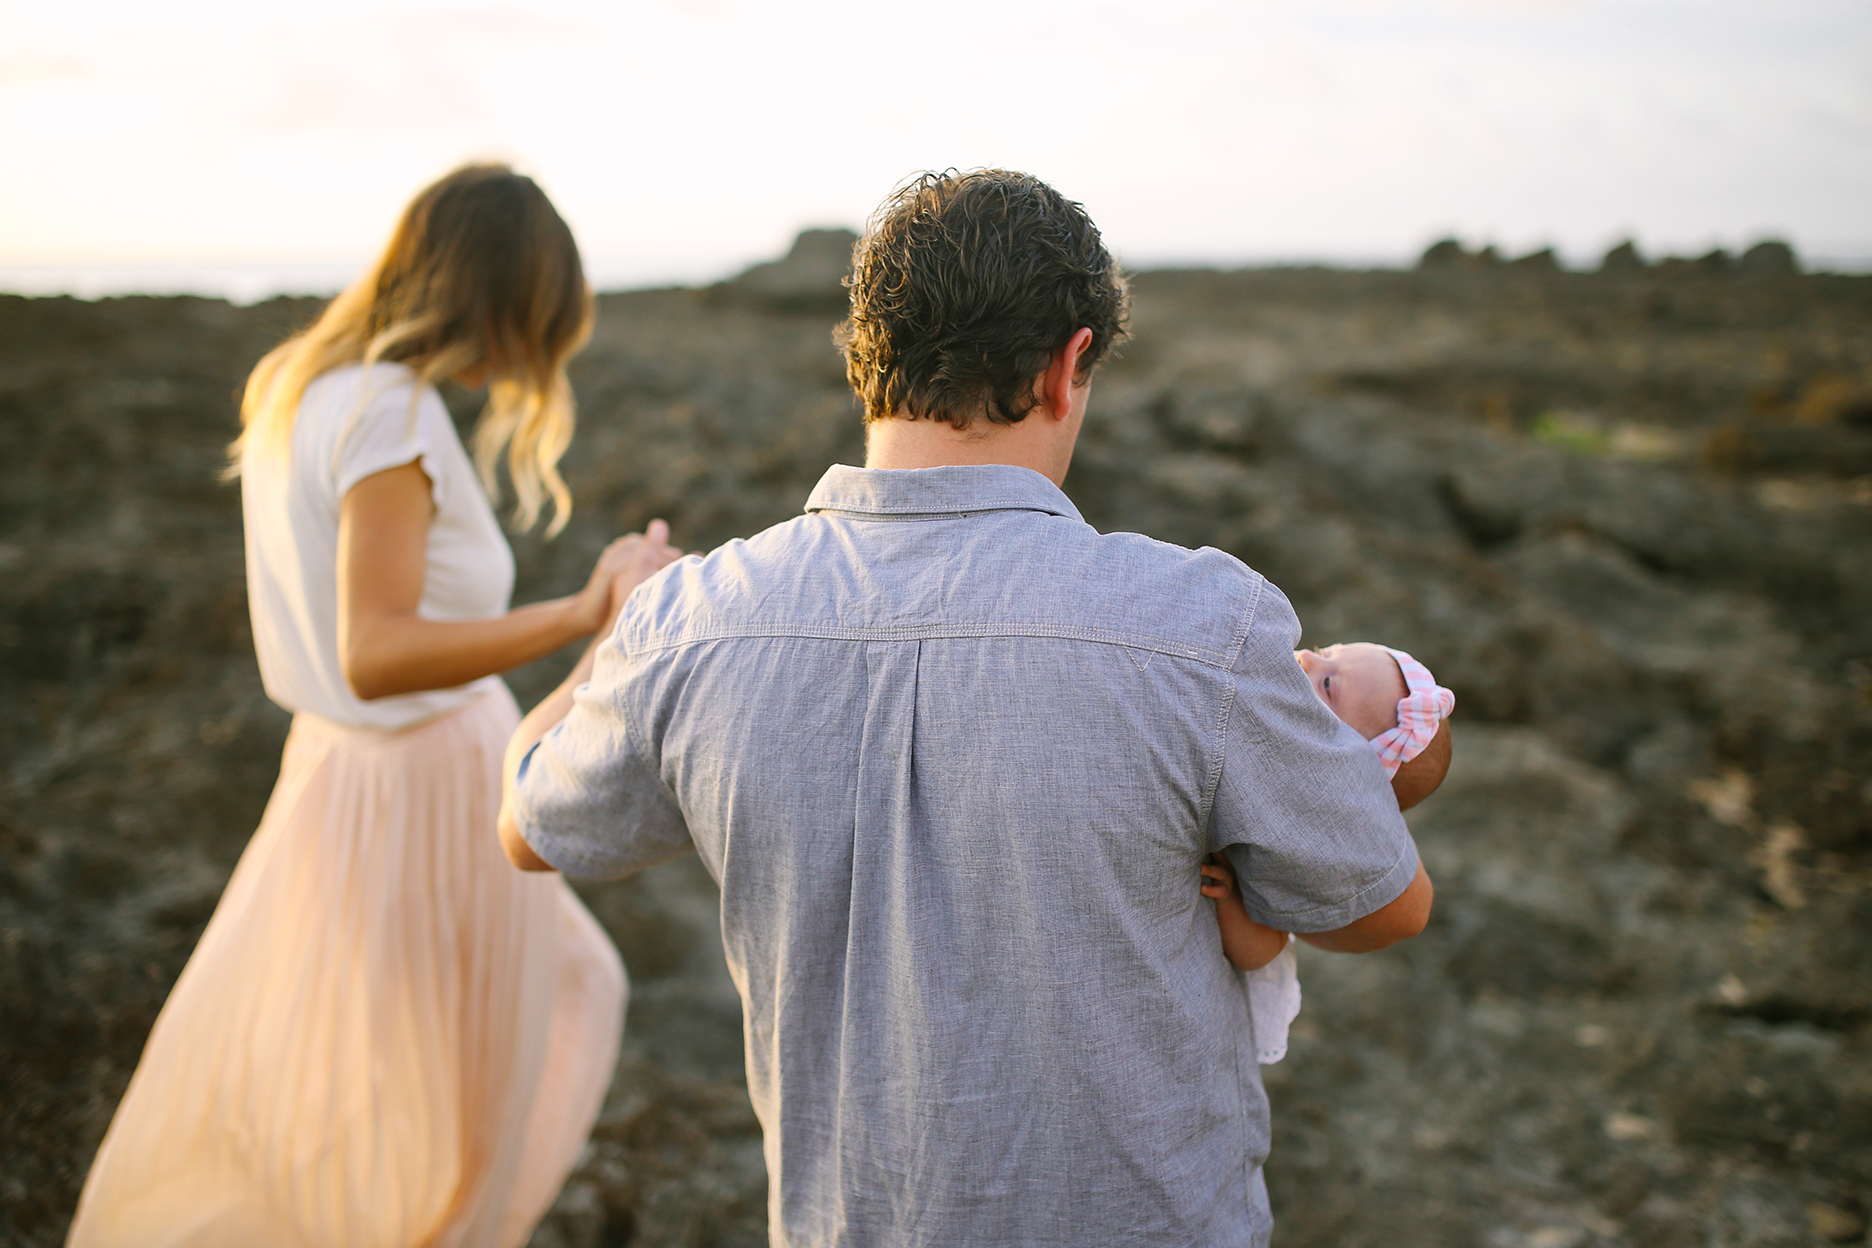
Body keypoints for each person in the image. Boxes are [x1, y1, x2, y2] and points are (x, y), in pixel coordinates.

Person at [499, 168, 1434, 1247]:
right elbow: (1382, 900)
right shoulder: (1204, 626)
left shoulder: (688, 624)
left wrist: (612, 624)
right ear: (1067, 365)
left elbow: (529, 820)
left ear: (867, 361)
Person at [66, 164, 679, 1248]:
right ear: (492, 299)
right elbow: (376, 650)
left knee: (410, 1060)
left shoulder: (304, 384)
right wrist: (583, 610)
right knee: (481, 1077)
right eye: (534, 322)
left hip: (342, 775)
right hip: (420, 784)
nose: (525, 361)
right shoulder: (389, 412)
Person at [1201, 643, 1455, 1063]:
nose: (1306, 659)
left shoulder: (1297, 834)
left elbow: (1262, 952)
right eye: (1325, 652)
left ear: (1338, 770)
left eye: (1329, 684)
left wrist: (1231, 900)